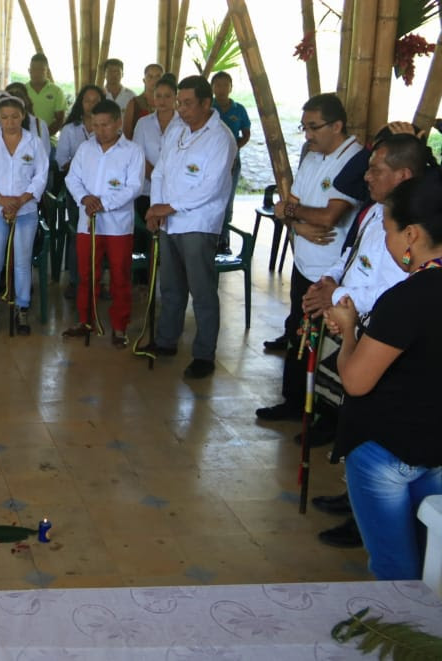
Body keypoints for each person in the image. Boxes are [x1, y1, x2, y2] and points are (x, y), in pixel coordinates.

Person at [303, 131, 429, 550]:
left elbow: (389, 288)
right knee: (348, 407)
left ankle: (370, 516)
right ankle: (355, 498)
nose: (367, 176)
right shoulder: (376, 212)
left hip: (374, 332)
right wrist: (331, 281)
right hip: (353, 317)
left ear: (405, 175)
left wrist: (337, 302)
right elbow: (352, 255)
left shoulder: (413, 234)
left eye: (376, 169)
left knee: (370, 410)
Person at [324, 171, 442, 581]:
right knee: (435, 560)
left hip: (389, 452)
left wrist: (350, 329)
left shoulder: (409, 298)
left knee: (396, 568)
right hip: (437, 448)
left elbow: (357, 381)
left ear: (411, 235)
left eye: (388, 230)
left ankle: (403, 637)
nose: (387, 241)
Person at [257, 94, 367, 421]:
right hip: (304, 262)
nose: (308, 135)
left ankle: (325, 416)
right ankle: (293, 402)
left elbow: (329, 217)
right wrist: (298, 226)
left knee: (328, 342)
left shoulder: (355, 161)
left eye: (314, 127)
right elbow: (288, 205)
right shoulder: (311, 155)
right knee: (298, 331)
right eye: (304, 127)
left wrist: (292, 215)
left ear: (337, 125)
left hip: (331, 273)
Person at [143, 75, 238, 380]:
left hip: (199, 223)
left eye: (187, 103)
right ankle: (167, 340)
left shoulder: (221, 138)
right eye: (179, 103)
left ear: (206, 103)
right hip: (170, 222)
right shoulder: (177, 131)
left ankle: (204, 354)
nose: (180, 109)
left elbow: (208, 189)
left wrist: (166, 207)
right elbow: (159, 172)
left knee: (202, 291)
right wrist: (156, 208)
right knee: (170, 286)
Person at [62, 99, 145, 348]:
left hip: (118, 225)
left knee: (119, 274)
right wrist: (85, 198)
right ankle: (86, 320)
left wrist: (103, 203)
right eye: (95, 125)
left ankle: (119, 326)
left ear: (118, 123)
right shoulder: (85, 149)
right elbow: (72, 178)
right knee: (87, 273)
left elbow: (134, 187)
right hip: (88, 223)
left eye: (105, 125)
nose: (100, 130)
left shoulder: (132, 151)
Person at [0, 95, 48, 336]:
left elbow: (40, 175)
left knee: (23, 263)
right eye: (4, 117)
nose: (10, 121)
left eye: (15, 116)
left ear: (23, 116)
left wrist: (21, 200)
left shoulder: (33, 142)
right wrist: (0, 199)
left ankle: (22, 309)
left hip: (24, 211)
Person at [55, 85, 104, 299]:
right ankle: (76, 281)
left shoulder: (110, 128)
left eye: (96, 100)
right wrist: (83, 163)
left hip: (102, 192)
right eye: (87, 100)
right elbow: (61, 161)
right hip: (77, 192)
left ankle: (97, 283)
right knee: (78, 235)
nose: (91, 104)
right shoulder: (70, 129)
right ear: (80, 103)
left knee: (101, 235)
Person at [132, 73, 179, 255]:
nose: (162, 100)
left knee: (169, 236)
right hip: (147, 188)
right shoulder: (143, 123)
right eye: (158, 95)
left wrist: (166, 179)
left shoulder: (183, 123)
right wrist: (155, 176)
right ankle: (145, 280)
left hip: (174, 190)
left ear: (176, 97)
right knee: (147, 235)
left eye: (167, 96)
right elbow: (138, 155)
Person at [211, 71, 251, 253]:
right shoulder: (208, 107)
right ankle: (209, 238)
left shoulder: (239, 109)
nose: (221, 88)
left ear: (231, 87)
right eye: (217, 85)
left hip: (232, 163)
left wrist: (234, 149)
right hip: (210, 162)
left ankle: (223, 241)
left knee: (227, 202)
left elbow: (246, 134)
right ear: (212, 88)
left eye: (225, 84)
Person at [26, 54, 66, 135]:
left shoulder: (57, 92)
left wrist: (44, 136)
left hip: (49, 141)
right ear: (29, 70)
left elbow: (59, 120)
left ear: (47, 71)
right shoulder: (22, 90)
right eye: (33, 69)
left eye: (41, 69)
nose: (37, 73)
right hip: (25, 140)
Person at [124, 62, 165, 140]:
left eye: (158, 76)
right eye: (150, 76)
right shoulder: (134, 103)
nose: (154, 80)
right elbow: (127, 133)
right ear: (144, 80)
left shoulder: (169, 103)